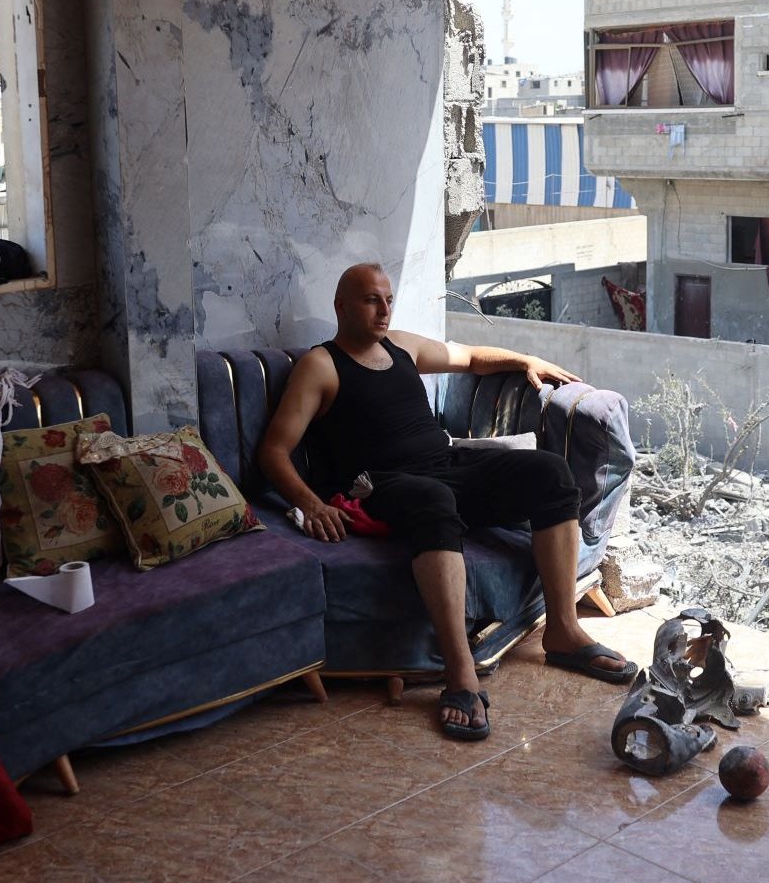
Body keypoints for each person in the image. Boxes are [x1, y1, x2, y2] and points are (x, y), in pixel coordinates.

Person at [256, 263, 636, 740]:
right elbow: (274, 449)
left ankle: (562, 630)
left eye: (388, 299)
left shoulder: (403, 347)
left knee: (549, 472)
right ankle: (460, 672)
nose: (384, 309)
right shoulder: (322, 365)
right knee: (434, 500)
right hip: (382, 485)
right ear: (341, 307)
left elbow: (470, 357)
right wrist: (311, 504)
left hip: (448, 465)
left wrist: (524, 361)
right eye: (371, 300)